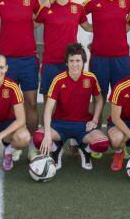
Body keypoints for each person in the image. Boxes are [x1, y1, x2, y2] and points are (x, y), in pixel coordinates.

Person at [35, 0, 87, 158]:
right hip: (50, 62)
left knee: (73, 102)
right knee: (50, 103)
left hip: (71, 65)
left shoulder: (78, 8)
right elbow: (31, 24)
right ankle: (52, 140)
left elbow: (87, 26)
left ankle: (74, 139)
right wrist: (43, 4)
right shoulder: (46, 8)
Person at [34, 43, 108, 171]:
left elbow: (100, 100)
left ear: (83, 62)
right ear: (67, 63)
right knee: (39, 139)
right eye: (71, 61)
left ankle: (85, 149)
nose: (75, 64)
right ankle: (56, 148)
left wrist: (95, 120)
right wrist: (47, 134)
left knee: (102, 144)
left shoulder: (90, 78)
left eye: (78, 61)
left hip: (82, 124)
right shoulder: (58, 79)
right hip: (59, 124)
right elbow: (48, 109)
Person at [0, 0, 41, 161]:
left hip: (28, 60)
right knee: (10, 104)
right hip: (7, 62)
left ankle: (31, 144)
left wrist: (26, 25)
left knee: (30, 104)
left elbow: (41, 18)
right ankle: (13, 143)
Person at [82, 0, 130, 99]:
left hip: (121, 58)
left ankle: (117, 120)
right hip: (99, 58)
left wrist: (122, 29)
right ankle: (97, 120)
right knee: (99, 96)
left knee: (122, 97)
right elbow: (74, 13)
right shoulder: (93, 2)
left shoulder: (127, 2)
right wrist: (91, 28)